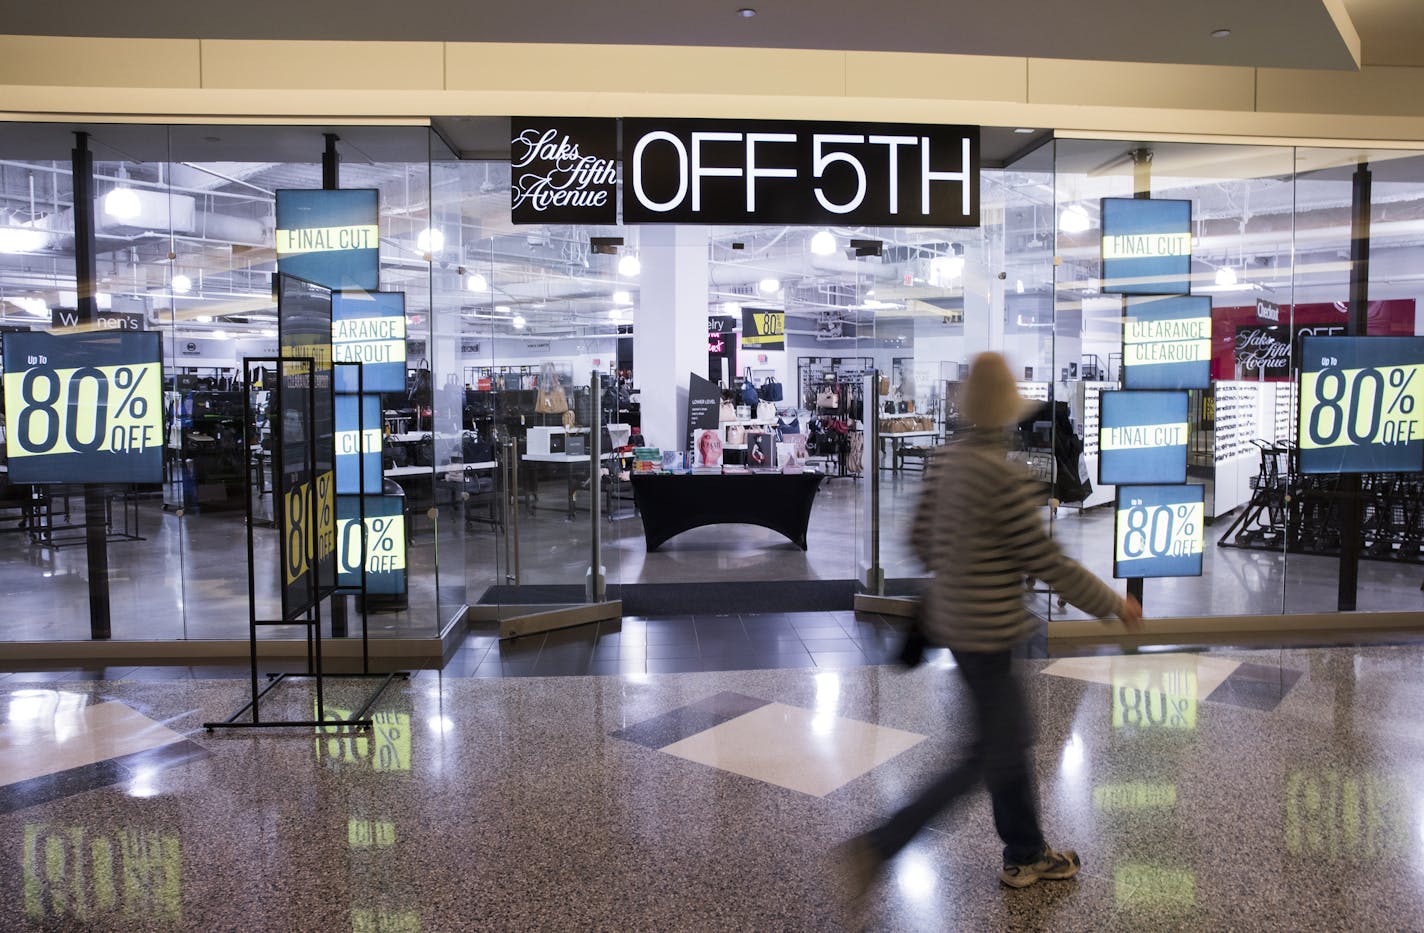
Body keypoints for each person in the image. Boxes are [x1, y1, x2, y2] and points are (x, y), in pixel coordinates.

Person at [839, 352, 1142, 900]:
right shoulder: (1003, 478)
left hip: (953, 626)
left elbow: (920, 543)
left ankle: (1025, 851)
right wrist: (1114, 606)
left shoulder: (947, 462)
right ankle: (883, 843)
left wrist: (963, 559)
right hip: (990, 632)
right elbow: (1049, 563)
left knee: (1007, 743)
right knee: (989, 752)